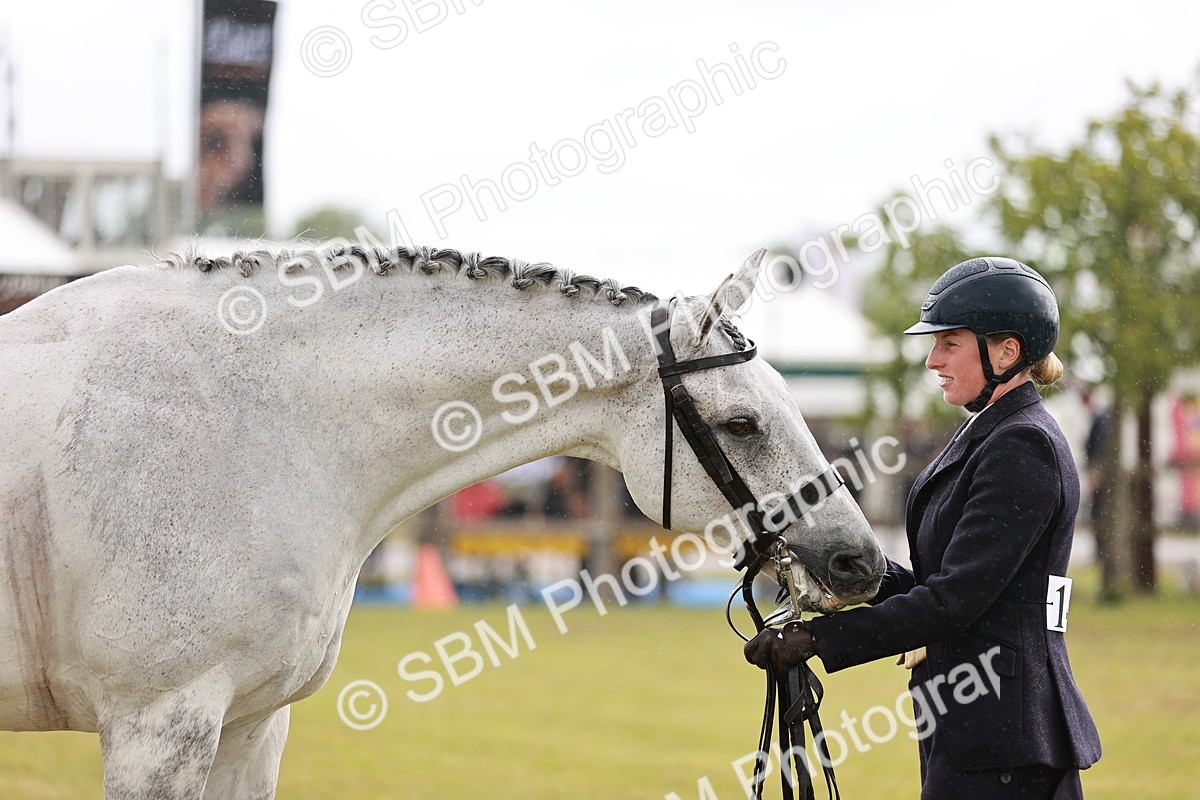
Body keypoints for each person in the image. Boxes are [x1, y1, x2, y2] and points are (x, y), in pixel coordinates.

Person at [745, 257, 1101, 799]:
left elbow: (954, 601)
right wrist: (819, 561)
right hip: (972, 730)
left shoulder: (1021, 446)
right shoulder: (987, 434)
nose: (933, 360)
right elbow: (941, 586)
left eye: (950, 343)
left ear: (1007, 351)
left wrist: (821, 639)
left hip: (1005, 741)